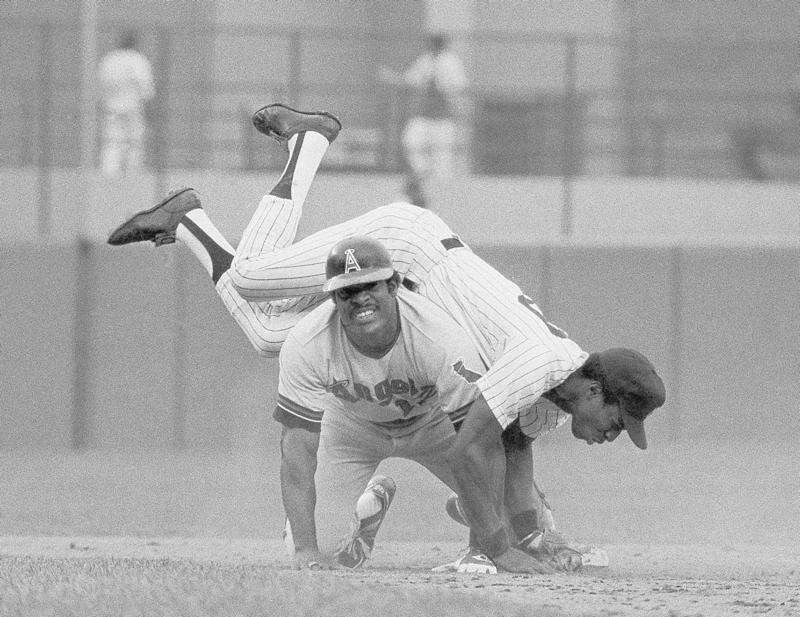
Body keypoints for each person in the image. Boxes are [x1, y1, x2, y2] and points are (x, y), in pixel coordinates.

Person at [107, 103, 666, 574]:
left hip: (422, 283)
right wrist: (491, 549)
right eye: (619, 422)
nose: (614, 435)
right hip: (403, 248)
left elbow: (513, 459)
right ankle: (307, 144)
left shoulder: (550, 403)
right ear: (596, 390)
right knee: (252, 280)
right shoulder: (543, 363)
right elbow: (473, 444)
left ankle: (190, 224)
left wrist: (536, 539)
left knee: (266, 331)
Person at [380, 32, 468, 208]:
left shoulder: (451, 62)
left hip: (443, 118)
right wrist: (392, 78)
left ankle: (445, 198)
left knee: (443, 159)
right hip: (423, 116)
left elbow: (460, 87)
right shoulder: (425, 61)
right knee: (410, 141)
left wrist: (445, 87)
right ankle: (421, 171)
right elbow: (410, 80)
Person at [98, 30, 155, 177]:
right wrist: (148, 105)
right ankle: (132, 171)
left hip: (112, 106)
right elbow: (145, 86)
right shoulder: (138, 60)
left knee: (112, 138)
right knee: (134, 139)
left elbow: (101, 84)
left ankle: (109, 171)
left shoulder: (109, 60)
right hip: (133, 106)